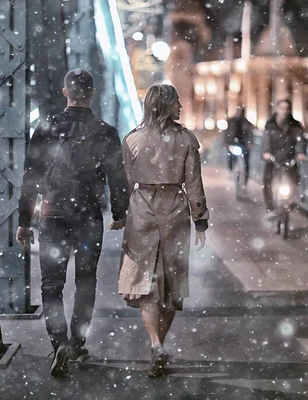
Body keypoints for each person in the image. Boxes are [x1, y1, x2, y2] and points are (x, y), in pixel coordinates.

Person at [16, 69, 129, 377]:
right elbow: (117, 178)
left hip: (52, 216)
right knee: (86, 281)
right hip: (88, 216)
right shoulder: (105, 131)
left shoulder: (47, 126)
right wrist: (120, 213)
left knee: (51, 285)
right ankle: (77, 343)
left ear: (65, 92)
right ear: (93, 93)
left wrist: (25, 219)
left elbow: (31, 176)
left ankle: (59, 343)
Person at [118, 83, 209, 378]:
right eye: (177, 103)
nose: (181, 107)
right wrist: (201, 219)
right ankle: (161, 343)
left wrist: (120, 214)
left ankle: (155, 343)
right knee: (170, 284)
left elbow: (126, 182)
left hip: (142, 211)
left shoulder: (132, 140)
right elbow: (194, 183)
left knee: (146, 284)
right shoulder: (186, 141)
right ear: (166, 105)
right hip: (175, 213)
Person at [262, 99, 307, 214]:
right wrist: (266, 152)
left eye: (287, 109)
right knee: (267, 180)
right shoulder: (270, 125)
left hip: (289, 158)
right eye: (282, 108)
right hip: (274, 159)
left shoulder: (295, 126)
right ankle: (270, 207)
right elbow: (266, 140)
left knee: (294, 178)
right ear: (277, 109)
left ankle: (291, 200)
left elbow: (300, 140)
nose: (284, 111)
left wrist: (300, 153)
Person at [224, 106, 255, 187]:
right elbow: (227, 132)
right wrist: (226, 142)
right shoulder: (231, 121)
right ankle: (231, 170)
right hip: (233, 143)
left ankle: (245, 179)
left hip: (244, 144)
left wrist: (250, 143)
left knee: (246, 161)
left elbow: (250, 133)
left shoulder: (246, 122)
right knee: (231, 157)